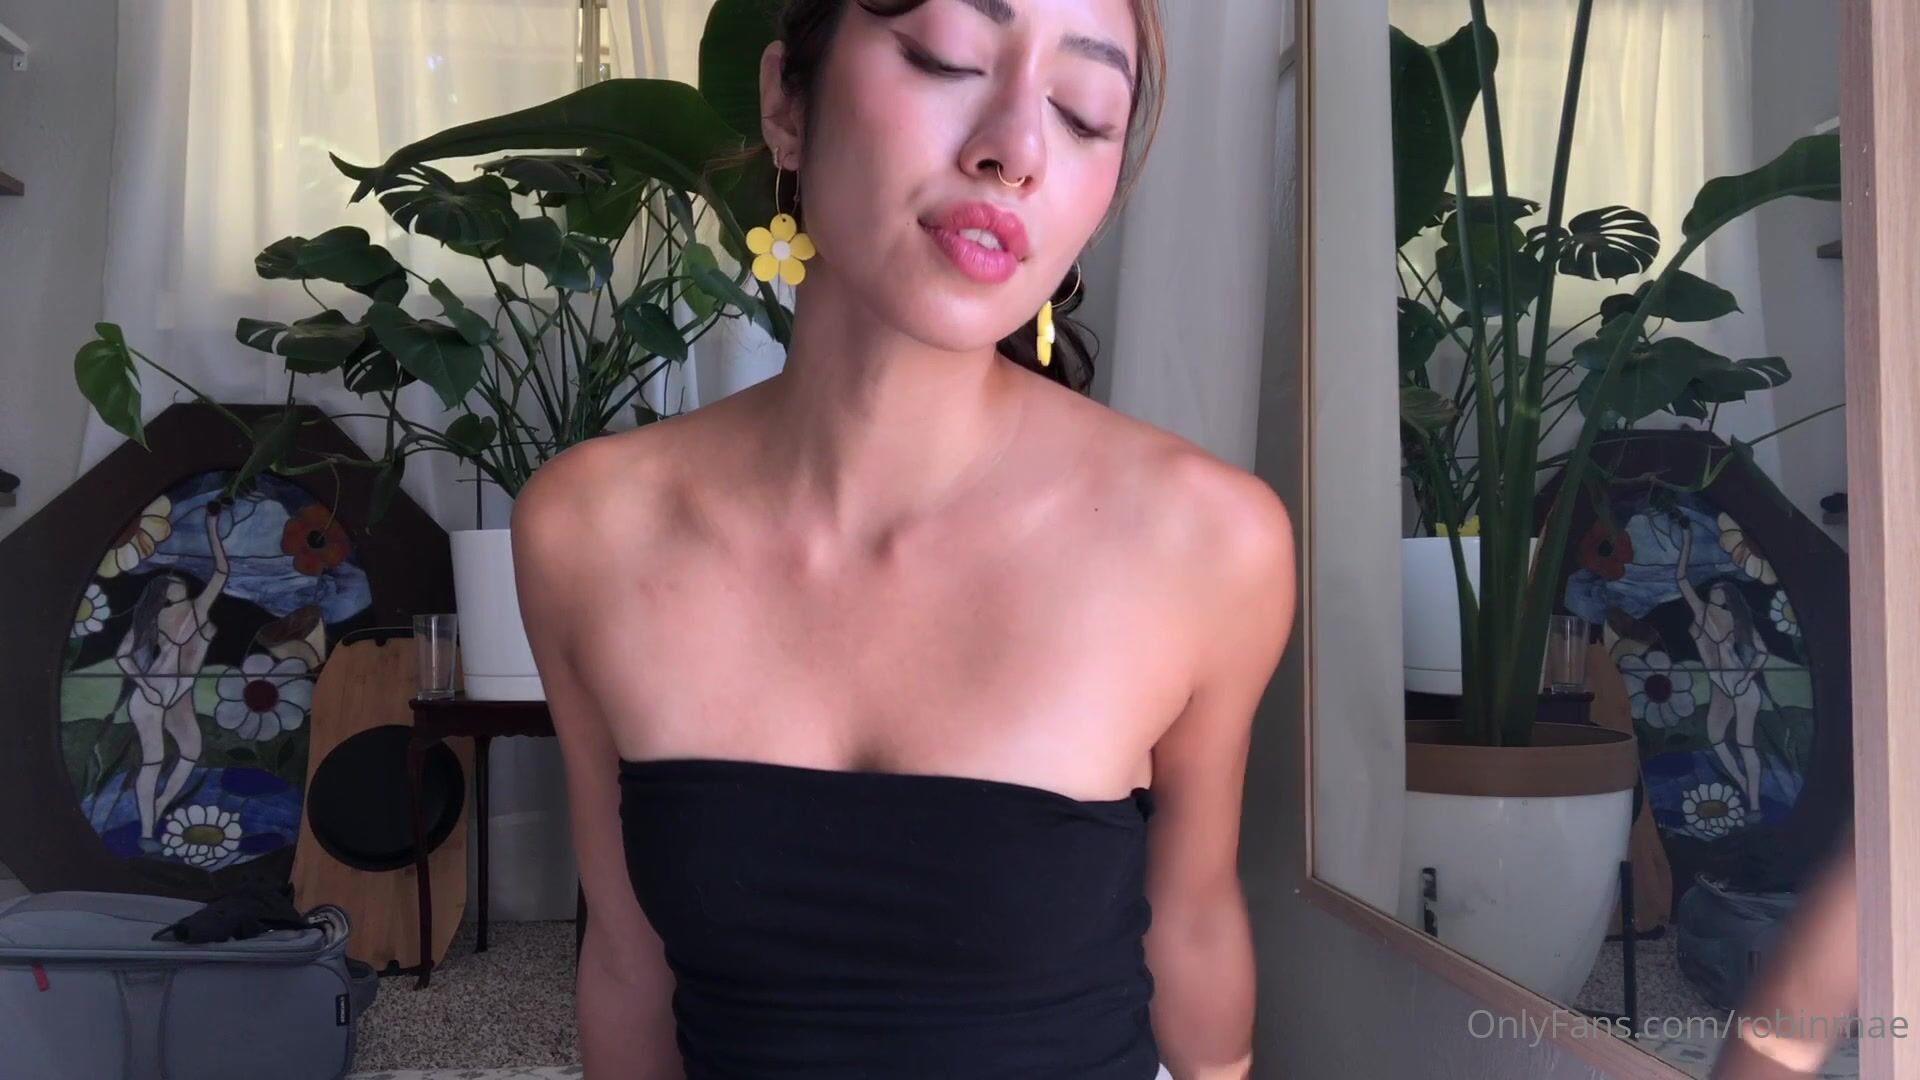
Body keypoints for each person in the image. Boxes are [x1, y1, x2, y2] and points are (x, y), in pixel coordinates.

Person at [511, 2, 1294, 1077]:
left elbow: (1195, 931)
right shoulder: (591, 530)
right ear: (788, 104)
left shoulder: (1207, 543)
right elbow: (627, 960)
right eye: (946, 59)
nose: (1016, 151)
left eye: (1082, 113)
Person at [114, 499, 230, 852]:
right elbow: (123, 656)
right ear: (163, 593)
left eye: (178, 580)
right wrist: (146, 686)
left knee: (191, 752)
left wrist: (212, 528)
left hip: (180, 694)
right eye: (172, 582)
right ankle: (147, 832)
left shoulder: (197, 609)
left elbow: (221, 573)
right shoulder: (157, 617)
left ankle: (161, 804)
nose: (179, 582)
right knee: (152, 760)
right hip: (152, 695)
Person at [1675, 513, 1769, 811]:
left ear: (1728, 597)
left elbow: (1762, 652)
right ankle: (1742, 783)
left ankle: (1755, 804)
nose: (1715, 591)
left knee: (1745, 744)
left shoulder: (1737, 620)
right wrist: (1686, 539)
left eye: (1721, 590)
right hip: (1720, 685)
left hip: (1741, 687)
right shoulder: (1703, 613)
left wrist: (1746, 679)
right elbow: (1681, 580)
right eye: (1713, 589)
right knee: (1715, 738)